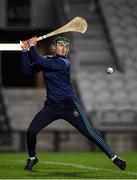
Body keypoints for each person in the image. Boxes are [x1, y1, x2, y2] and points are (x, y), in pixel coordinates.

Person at [20, 36, 126, 171]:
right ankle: (32, 158)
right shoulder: (46, 59)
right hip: (51, 107)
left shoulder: (64, 63)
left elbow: (37, 59)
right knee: (31, 132)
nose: (64, 49)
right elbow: (26, 71)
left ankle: (114, 157)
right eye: (61, 45)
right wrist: (24, 52)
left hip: (69, 106)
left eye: (66, 47)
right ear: (54, 47)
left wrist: (32, 46)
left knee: (89, 133)